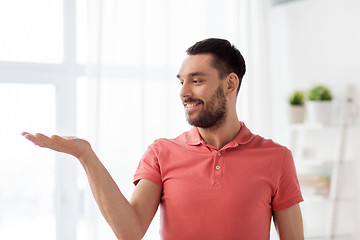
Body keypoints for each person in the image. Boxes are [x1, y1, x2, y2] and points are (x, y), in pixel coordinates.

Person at [23, 38, 304, 239]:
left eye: (196, 80)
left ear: (230, 83)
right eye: (180, 81)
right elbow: (129, 231)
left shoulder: (276, 158)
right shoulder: (162, 152)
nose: (183, 92)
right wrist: (86, 156)